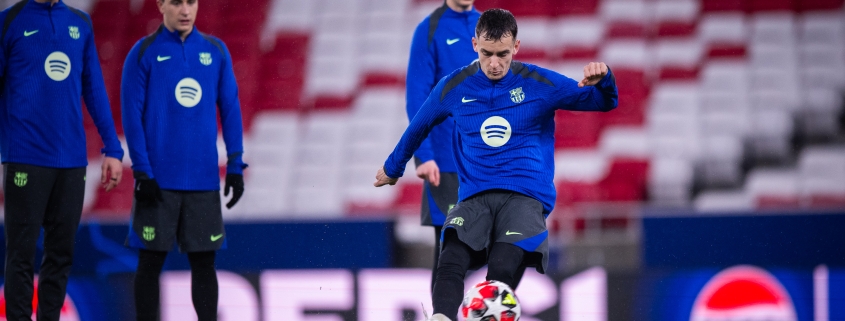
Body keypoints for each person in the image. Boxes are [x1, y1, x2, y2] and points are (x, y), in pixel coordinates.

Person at [375, 8, 618, 321]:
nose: (494, 63)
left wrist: (605, 80)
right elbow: (418, 127)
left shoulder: (539, 83)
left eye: (502, 54)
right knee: (450, 259)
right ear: (474, 44)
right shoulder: (454, 86)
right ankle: (441, 318)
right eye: (487, 53)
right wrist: (394, 168)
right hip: (475, 197)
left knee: (501, 269)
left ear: (516, 47)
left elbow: (602, 102)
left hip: (525, 198)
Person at [120, 0, 247, 319]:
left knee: (204, 263)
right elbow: (131, 116)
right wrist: (142, 172)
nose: (186, 10)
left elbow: (230, 108)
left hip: (203, 180)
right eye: (176, 2)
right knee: (150, 262)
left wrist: (234, 166)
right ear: (161, 4)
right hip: (157, 182)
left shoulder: (215, 51)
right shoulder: (143, 51)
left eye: (191, 1)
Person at [0, 0, 125, 319]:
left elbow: (94, 88)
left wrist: (112, 147)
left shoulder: (80, 24)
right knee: (21, 255)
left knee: (60, 256)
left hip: (71, 161)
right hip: (25, 158)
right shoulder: (10, 21)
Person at [406, 0, 487, 291]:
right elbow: (418, 97)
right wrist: (424, 154)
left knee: (501, 244)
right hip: (447, 161)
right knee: (452, 250)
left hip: (490, 161)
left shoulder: (491, 25)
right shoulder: (428, 30)